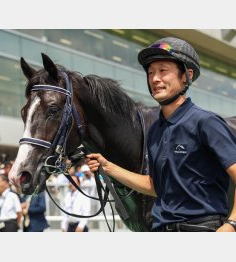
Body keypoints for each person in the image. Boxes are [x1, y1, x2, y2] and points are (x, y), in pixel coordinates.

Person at [86, 37, 236, 232]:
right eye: (150, 72)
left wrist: (232, 223)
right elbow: (154, 186)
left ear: (186, 76)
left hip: (200, 229)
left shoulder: (205, 122)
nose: (155, 78)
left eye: (163, 70)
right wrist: (108, 167)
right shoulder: (155, 130)